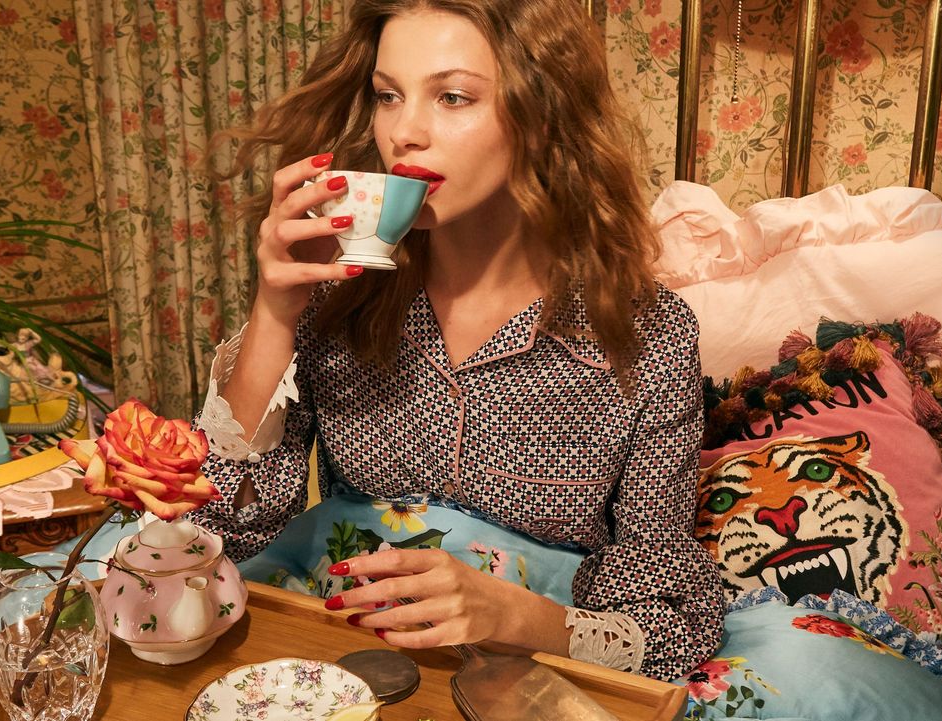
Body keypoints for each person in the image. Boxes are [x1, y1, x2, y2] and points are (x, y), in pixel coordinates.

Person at [192, 0, 724, 681]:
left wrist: (508, 613)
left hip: (536, 668)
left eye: (452, 96)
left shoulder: (649, 337)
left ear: (543, 114)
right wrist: (274, 313)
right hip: (343, 651)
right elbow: (219, 533)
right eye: (388, 96)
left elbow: (668, 621)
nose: (404, 132)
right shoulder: (337, 297)